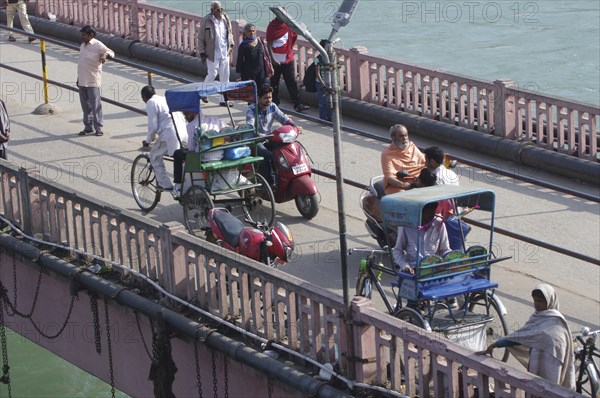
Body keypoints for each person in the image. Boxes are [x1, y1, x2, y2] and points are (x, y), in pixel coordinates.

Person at [477, 284, 575, 390]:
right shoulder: (537, 317)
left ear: (550, 301)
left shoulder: (557, 322)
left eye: (540, 301)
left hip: (552, 366)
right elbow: (520, 337)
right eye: (535, 300)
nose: (536, 304)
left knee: (552, 390)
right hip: (537, 363)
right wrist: (494, 345)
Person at [246, 84, 297, 186]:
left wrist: (295, 126)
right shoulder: (251, 109)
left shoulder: (273, 106)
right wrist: (262, 136)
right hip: (256, 141)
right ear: (259, 98)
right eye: (265, 98)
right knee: (268, 155)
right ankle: (270, 183)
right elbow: (250, 128)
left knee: (285, 150)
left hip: (269, 139)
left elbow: (284, 118)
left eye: (270, 97)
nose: (268, 100)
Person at [172, 111, 228, 197]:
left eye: (185, 114)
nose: (185, 117)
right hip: (220, 155)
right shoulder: (216, 120)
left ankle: (178, 186)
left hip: (203, 158)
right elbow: (228, 131)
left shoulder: (192, 125)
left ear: (191, 113)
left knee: (177, 153)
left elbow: (191, 148)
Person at [141, 86, 184, 192]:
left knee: (154, 156)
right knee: (182, 157)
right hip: (183, 130)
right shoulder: (164, 99)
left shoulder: (151, 102)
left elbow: (153, 126)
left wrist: (148, 141)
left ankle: (165, 184)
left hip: (170, 133)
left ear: (144, 97)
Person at [266, 11, 309, 113]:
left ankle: (298, 104)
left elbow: (294, 35)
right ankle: (274, 103)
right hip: (276, 60)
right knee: (274, 82)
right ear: (277, 16)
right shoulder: (272, 26)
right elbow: (269, 44)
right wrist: (272, 59)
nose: (285, 18)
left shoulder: (288, 25)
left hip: (288, 58)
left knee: (291, 82)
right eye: (282, 16)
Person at [76, 25, 114, 137]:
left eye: (84, 35)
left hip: (92, 80)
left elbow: (111, 52)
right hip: (82, 79)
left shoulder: (97, 45)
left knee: (95, 105)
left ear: (91, 35)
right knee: (86, 106)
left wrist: (104, 55)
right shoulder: (83, 45)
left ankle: (98, 128)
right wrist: (78, 78)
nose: (82, 37)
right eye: (82, 35)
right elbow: (82, 62)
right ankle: (88, 127)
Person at [393, 202, 450, 274]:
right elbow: (397, 251)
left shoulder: (439, 224)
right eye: (427, 213)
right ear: (418, 212)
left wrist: (449, 259)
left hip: (433, 270)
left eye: (432, 214)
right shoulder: (406, 226)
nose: (430, 217)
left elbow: (444, 249)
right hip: (413, 270)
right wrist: (406, 267)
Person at [198, 1, 234, 106]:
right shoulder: (207, 21)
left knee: (225, 77)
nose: (220, 11)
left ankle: (224, 100)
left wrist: (231, 44)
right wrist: (202, 53)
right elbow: (200, 38)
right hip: (212, 53)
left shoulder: (225, 19)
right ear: (212, 10)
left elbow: (230, 33)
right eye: (218, 9)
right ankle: (203, 92)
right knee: (212, 74)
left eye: (221, 9)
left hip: (224, 52)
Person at [380, 124, 425, 195]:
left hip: (418, 181)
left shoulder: (412, 146)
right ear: (393, 137)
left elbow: (424, 163)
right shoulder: (387, 154)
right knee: (403, 197)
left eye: (406, 135)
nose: (405, 138)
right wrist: (403, 185)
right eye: (401, 136)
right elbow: (389, 177)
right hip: (398, 185)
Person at [235, 23, 266, 89]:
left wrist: (269, 68)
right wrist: (238, 75)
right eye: (249, 31)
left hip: (261, 71)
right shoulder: (243, 45)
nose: (251, 33)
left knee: (262, 91)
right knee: (250, 92)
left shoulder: (260, 41)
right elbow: (239, 60)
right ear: (245, 33)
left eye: (253, 31)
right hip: (248, 73)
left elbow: (265, 55)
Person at [315, 39, 332, 122]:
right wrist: (322, 83)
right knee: (323, 102)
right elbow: (317, 73)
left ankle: (330, 118)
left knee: (331, 101)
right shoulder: (317, 59)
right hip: (320, 83)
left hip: (329, 82)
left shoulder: (330, 58)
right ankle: (322, 118)